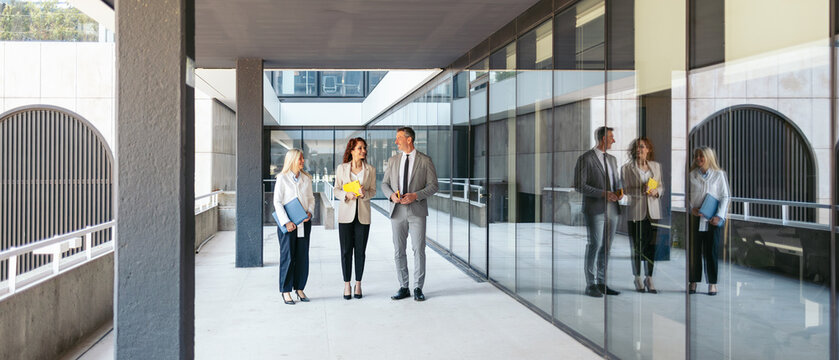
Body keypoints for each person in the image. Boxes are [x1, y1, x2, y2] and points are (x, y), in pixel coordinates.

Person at [381, 127, 438, 301]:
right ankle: (404, 286)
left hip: (417, 211)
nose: (396, 141)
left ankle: (418, 287)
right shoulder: (393, 160)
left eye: (399, 138)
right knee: (399, 250)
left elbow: (434, 186)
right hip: (397, 211)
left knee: (418, 249)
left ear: (409, 139)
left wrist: (416, 196)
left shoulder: (425, 160)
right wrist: (391, 195)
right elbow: (384, 184)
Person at [574, 126, 623, 298]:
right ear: (603, 139)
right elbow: (579, 185)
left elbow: (616, 181)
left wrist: (619, 191)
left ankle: (602, 282)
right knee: (595, 245)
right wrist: (604, 194)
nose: (613, 140)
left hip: (613, 209)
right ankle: (590, 284)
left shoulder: (613, 159)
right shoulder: (585, 159)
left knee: (607, 247)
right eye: (611, 137)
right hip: (595, 209)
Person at [333, 137, 376, 300]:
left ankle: (358, 283)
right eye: (360, 148)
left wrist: (365, 194)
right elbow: (336, 190)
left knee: (360, 252)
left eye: (364, 148)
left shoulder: (370, 169)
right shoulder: (342, 168)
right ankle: (346, 284)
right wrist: (346, 194)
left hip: (363, 215)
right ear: (352, 151)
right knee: (345, 251)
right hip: (345, 215)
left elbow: (373, 191)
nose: (363, 151)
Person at [621, 138, 664, 294]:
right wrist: (641, 190)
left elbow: (660, 186)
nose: (639, 150)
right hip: (636, 212)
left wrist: (655, 191)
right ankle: (637, 277)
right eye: (636, 148)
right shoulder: (626, 168)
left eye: (642, 147)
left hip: (653, 211)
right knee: (637, 247)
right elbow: (625, 190)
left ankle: (649, 278)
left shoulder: (656, 167)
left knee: (651, 246)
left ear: (648, 150)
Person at [273, 149, 315, 305]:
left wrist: (310, 212)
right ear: (292, 160)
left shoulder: (306, 179)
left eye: (303, 158)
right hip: (288, 225)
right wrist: (286, 221)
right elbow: (277, 202)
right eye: (300, 159)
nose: (303, 161)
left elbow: (311, 199)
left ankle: (299, 288)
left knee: (302, 257)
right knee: (288, 257)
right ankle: (285, 290)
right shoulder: (282, 179)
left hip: (303, 224)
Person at [688, 146, 730, 296]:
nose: (698, 159)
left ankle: (712, 284)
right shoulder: (691, 175)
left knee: (711, 252)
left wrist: (719, 216)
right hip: (695, 219)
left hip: (712, 219)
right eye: (696, 156)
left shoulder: (719, 175)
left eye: (701, 156)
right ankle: (693, 281)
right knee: (695, 252)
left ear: (709, 157)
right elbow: (688, 197)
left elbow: (725, 196)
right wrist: (691, 208)